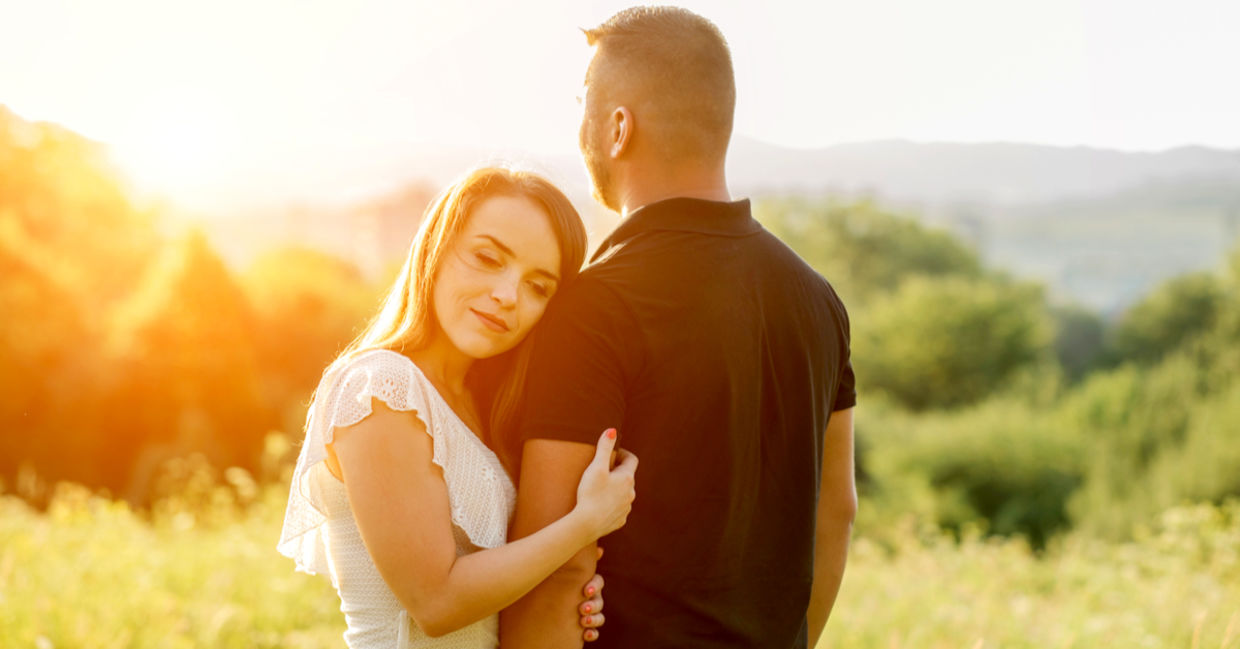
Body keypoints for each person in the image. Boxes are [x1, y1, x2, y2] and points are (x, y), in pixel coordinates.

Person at [499, 7, 857, 649]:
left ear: (617, 127)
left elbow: (554, 568)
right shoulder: (820, 301)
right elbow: (836, 515)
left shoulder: (592, 307)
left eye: (583, 104)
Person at [278, 166, 638, 648]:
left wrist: (566, 592)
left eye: (538, 286)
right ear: (436, 247)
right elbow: (437, 602)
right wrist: (585, 523)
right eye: (488, 258)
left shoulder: (482, 407)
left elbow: (495, 578)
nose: (507, 296)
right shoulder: (380, 388)